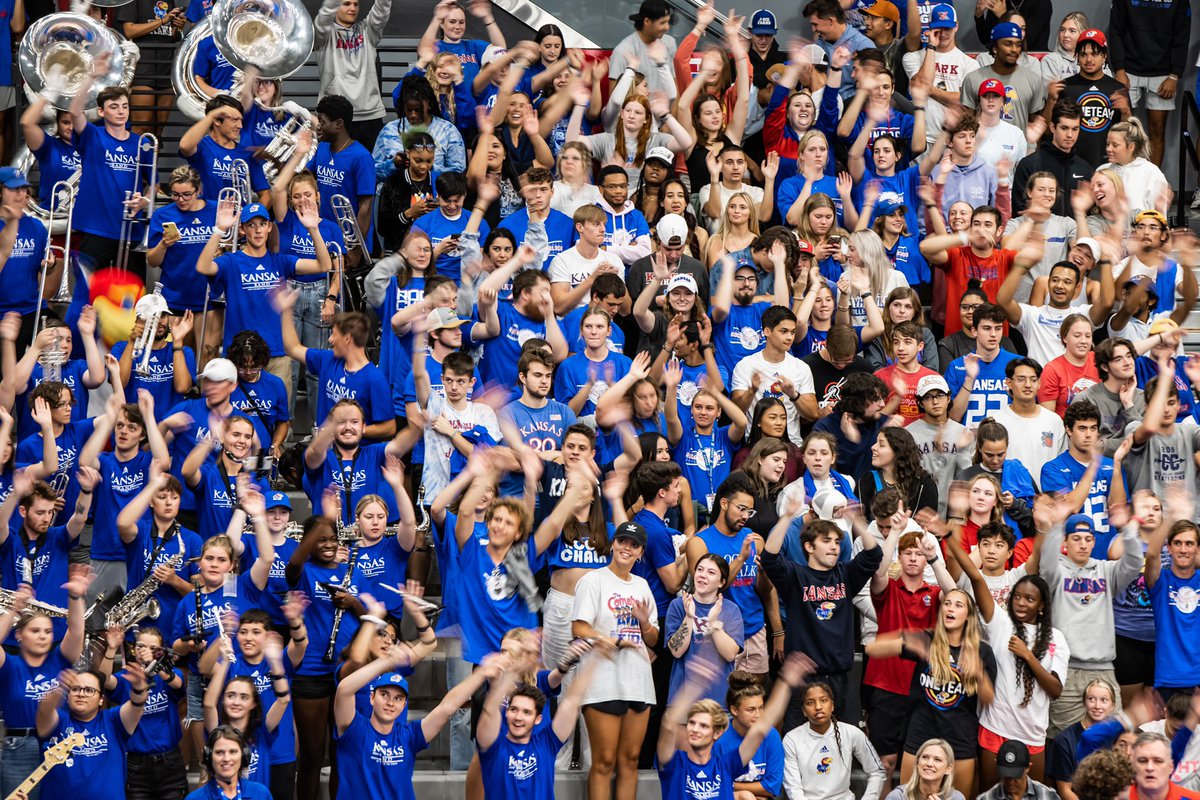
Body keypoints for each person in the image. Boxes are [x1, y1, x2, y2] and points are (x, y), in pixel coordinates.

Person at [764, 494, 880, 728]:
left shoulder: (845, 574)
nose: (834, 547)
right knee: (799, 745)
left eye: (837, 542)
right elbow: (770, 558)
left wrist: (856, 520)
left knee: (845, 743)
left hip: (840, 676)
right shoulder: (795, 576)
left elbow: (873, 555)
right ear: (809, 546)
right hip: (803, 678)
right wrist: (787, 517)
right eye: (827, 541)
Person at [866, 589, 997, 796]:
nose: (950, 608)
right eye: (947, 604)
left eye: (958, 605)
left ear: (969, 616)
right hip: (920, 733)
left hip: (960, 738)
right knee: (910, 796)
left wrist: (978, 673)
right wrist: (907, 641)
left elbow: (989, 699)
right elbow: (872, 650)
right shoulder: (927, 639)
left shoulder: (982, 651)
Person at [195, 200, 331, 388]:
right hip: (240, 355)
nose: (257, 230)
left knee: (279, 414)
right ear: (242, 230)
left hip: (277, 353)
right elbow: (202, 267)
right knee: (238, 416)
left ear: (269, 227)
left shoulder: (281, 262)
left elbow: (324, 265)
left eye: (262, 224)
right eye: (251, 225)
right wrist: (219, 229)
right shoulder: (231, 262)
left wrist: (314, 230)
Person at [572, 519, 660, 800]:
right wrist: (607, 639)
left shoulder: (643, 585)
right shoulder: (592, 580)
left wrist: (645, 624)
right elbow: (579, 628)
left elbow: (654, 639)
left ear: (641, 553)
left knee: (631, 759)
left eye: (634, 545)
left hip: (639, 680)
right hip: (602, 680)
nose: (627, 547)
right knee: (604, 760)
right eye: (623, 541)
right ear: (613, 543)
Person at [659, 653, 809, 800]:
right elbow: (669, 724)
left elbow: (761, 729)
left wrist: (785, 684)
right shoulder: (675, 764)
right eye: (691, 723)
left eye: (704, 726)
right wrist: (694, 684)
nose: (695, 729)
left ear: (717, 733)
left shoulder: (725, 765)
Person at [36, 665, 150, 800]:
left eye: (89, 690)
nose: (81, 694)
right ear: (68, 696)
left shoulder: (113, 721)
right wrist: (59, 689)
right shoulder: (59, 721)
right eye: (75, 689)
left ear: (101, 699)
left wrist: (139, 688)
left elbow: (137, 705)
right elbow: (44, 711)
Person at [1107, 0, 1190, 170]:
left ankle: (1153, 182)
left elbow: (1182, 33)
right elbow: (1116, 30)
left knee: (1157, 130)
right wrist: (1119, 69)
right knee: (1123, 129)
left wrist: (1175, 75)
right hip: (1128, 69)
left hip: (1163, 72)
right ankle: (1122, 180)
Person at [782, 679, 887, 800]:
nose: (818, 707)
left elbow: (877, 771)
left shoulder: (851, 733)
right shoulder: (791, 739)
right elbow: (793, 788)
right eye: (810, 703)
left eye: (824, 700)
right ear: (804, 711)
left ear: (832, 705)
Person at [313, 0, 393, 149]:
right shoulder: (324, 35)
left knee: (371, 167)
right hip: (335, 116)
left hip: (370, 115)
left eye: (356, 4)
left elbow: (381, 10)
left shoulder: (368, 31)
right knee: (336, 167)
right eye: (347, 4)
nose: (352, 8)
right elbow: (322, 19)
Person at [960, 23, 1049, 133]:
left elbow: (1035, 125)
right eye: (1008, 44)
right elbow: (968, 123)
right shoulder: (973, 79)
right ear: (994, 48)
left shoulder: (1033, 80)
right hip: (982, 147)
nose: (1014, 49)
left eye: (1018, 45)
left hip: (1019, 148)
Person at [1012, 102, 1094, 218]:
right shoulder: (1029, 165)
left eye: (1075, 129)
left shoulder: (1085, 169)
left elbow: (1090, 215)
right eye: (1064, 128)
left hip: (1076, 235)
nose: (1070, 135)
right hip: (1038, 234)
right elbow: (1019, 212)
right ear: (1052, 127)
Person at [945, 303, 1021, 428]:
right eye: (987, 328)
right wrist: (969, 379)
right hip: (968, 444)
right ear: (974, 331)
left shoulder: (1019, 365)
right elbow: (953, 417)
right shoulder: (956, 366)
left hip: (1008, 442)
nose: (993, 334)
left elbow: (1028, 412)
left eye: (998, 328)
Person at [990, 359, 1066, 481]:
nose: (1028, 385)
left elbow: (1063, 465)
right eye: (1021, 379)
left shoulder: (1054, 421)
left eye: (1033, 380)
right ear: (1008, 383)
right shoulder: (996, 421)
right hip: (1008, 496)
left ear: (1039, 383)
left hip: (1046, 496)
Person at [186, 727, 273, 800]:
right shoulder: (195, 798)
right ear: (209, 757)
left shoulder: (261, 794)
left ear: (243, 756)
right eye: (220, 752)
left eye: (233, 752)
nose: (226, 758)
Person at [978, 741, 1064, 800]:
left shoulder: (1047, 796)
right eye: (1006, 776)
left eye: (1016, 776)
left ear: (1028, 768)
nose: (1010, 782)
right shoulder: (987, 798)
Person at [884, 739, 967, 800]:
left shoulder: (957, 798)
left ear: (948, 769)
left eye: (937, 759)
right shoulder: (898, 796)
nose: (929, 764)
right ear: (917, 763)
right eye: (925, 757)